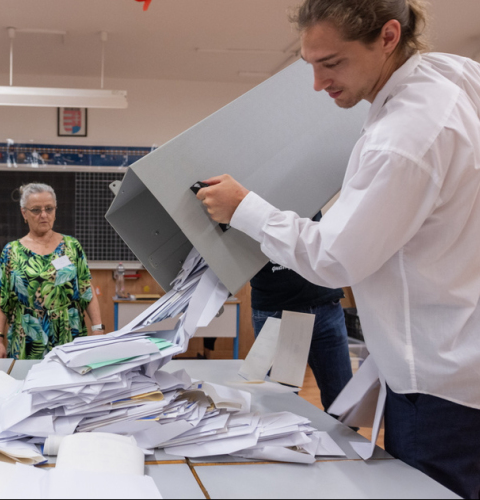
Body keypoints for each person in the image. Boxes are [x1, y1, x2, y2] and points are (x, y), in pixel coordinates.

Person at [196, 0, 480, 497]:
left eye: (332, 63)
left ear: (388, 37)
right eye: (311, 64)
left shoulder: (404, 135)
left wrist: (245, 208)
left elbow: (335, 258)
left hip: (438, 383)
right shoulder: (451, 75)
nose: (318, 83)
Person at [250, 215, 352, 412]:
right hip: (280, 310)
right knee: (281, 411)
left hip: (325, 302)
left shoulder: (305, 185)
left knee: (345, 409)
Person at [0, 183, 104, 359]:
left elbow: (85, 289)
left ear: (55, 210)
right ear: (24, 213)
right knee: (26, 384)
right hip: (27, 338)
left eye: (49, 209)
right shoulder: (11, 251)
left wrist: (98, 329)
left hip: (68, 334)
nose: (43, 215)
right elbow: (2, 298)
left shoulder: (71, 246)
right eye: (36, 210)